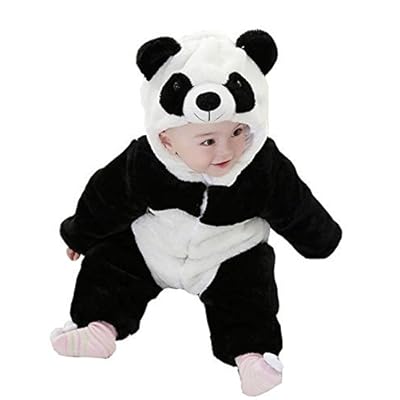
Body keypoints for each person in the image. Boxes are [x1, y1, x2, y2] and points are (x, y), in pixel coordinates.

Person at [51, 30, 342, 397]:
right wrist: (81, 235)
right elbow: (105, 197)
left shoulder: (262, 167)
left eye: (238, 132)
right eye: (207, 141)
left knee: (249, 290)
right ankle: (99, 327)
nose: (227, 150)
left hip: (226, 253)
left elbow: (296, 205)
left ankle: (251, 356)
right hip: (153, 245)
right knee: (110, 260)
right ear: (167, 138)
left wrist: (321, 240)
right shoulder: (146, 162)